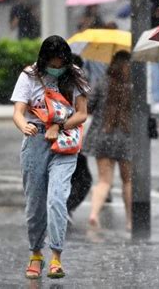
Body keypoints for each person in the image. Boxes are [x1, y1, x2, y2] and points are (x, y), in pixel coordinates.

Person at [11, 35, 89, 279]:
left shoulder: (75, 74)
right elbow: (18, 112)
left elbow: (82, 114)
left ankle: (56, 255)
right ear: (43, 60)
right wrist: (24, 125)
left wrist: (60, 125)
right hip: (35, 141)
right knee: (35, 204)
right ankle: (36, 254)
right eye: (52, 65)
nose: (57, 69)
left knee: (57, 199)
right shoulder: (29, 75)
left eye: (60, 64)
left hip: (64, 142)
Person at [83, 51, 133, 231]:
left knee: (104, 180)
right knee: (128, 181)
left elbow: (88, 107)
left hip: (103, 136)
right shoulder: (134, 86)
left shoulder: (102, 82)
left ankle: (93, 214)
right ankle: (129, 221)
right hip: (126, 138)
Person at [66, 54, 93, 220]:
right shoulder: (72, 86)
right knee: (82, 178)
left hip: (70, 140)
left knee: (77, 177)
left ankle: (63, 207)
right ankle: (63, 207)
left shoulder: (71, 85)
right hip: (68, 140)